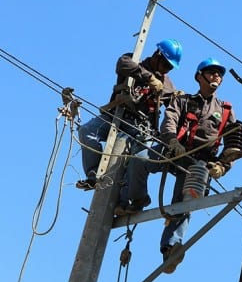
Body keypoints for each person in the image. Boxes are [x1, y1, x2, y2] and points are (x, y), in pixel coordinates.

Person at [119, 58, 242, 273]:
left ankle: (170, 248)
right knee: (140, 159)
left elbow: (234, 143)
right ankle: (137, 198)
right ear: (199, 76)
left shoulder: (225, 110)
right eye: (212, 72)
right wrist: (172, 141)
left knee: (184, 203)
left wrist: (223, 166)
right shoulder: (183, 100)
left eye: (219, 74)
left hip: (199, 162)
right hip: (174, 149)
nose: (216, 77)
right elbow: (169, 120)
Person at [75, 39, 183, 191]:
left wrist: (179, 99)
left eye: (170, 68)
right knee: (86, 131)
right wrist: (149, 78)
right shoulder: (134, 61)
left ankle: (128, 201)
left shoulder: (167, 84)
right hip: (116, 116)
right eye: (165, 65)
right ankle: (95, 174)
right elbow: (122, 63)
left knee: (136, 163)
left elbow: (174, 108)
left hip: (139, 128)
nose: (166, 70)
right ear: (157, 55)